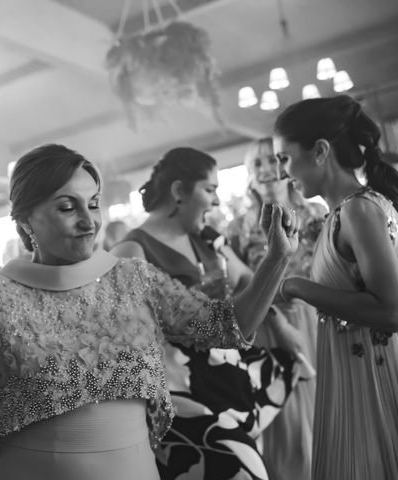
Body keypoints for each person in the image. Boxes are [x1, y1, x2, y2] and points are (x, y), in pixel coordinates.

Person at [0, 144, 299, 480]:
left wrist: (277, 259)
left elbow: (229, 328)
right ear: (26, 221)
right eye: (67, 207)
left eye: (93, 203)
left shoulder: (135, 280)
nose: (88, 220)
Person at [111, 147, 309, 480]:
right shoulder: (132, 251)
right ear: (178, 191)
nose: (217, 201)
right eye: (210, 189)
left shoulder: (207, 237)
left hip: (231, 373)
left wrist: (279, 323)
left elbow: (248, 279)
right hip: (182, 390)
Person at [274, 95, 398, 479]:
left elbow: (391, 311)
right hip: (350, 373)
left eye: (284, 157)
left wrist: (296, 286)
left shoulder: (358, 210)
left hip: (373, 379)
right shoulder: (339, 214)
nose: (281, 172)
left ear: (320, 151)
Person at [227, 137, 324, 480]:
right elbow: (237, 289)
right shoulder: (237, 228)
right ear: (250, 174)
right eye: (257, 164)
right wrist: (276, 319)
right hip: (270, 325)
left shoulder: (315, 215)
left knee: (326, 404)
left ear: (285, 166)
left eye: (272, 161)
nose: (266, 170)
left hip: (319, 320)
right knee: (286, 416)